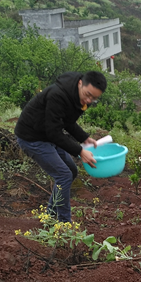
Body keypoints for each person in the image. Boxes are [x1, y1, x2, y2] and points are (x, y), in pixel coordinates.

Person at [14, 70, 106, 222]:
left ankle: (50, 216)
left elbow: (67, 122)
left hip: (47, 135)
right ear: (80, 83)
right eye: (88, 95)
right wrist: (80, 151)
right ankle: (64, 223)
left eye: (94, 98)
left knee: (71, 170)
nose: (89, 100)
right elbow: (54, 133)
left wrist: (84, 138)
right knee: (64, 175)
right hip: (32, 137)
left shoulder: (78, 98)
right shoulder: (58, 95)